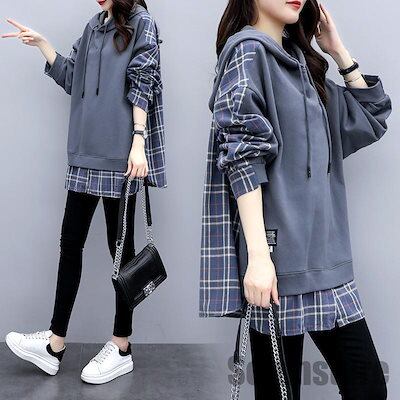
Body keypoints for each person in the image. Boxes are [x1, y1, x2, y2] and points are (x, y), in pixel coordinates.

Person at [199, 1, 392, 398]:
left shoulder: (303, 63)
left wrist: (337, 51)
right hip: (277, 262)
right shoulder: (247, 53)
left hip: (326, 259)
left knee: (368, 386)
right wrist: (258, 258)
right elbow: (242, 159)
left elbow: (370, 119)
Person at [1, 0, 166, 385]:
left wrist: (139, 141)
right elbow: (73, 78)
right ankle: (54, 345)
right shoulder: (94, 26)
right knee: (70, 244)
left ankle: (121, 346)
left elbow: (144, 82)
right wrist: (43, 45)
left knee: (121, 254)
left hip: (120, 156)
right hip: (84, 154)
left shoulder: (142, 23)